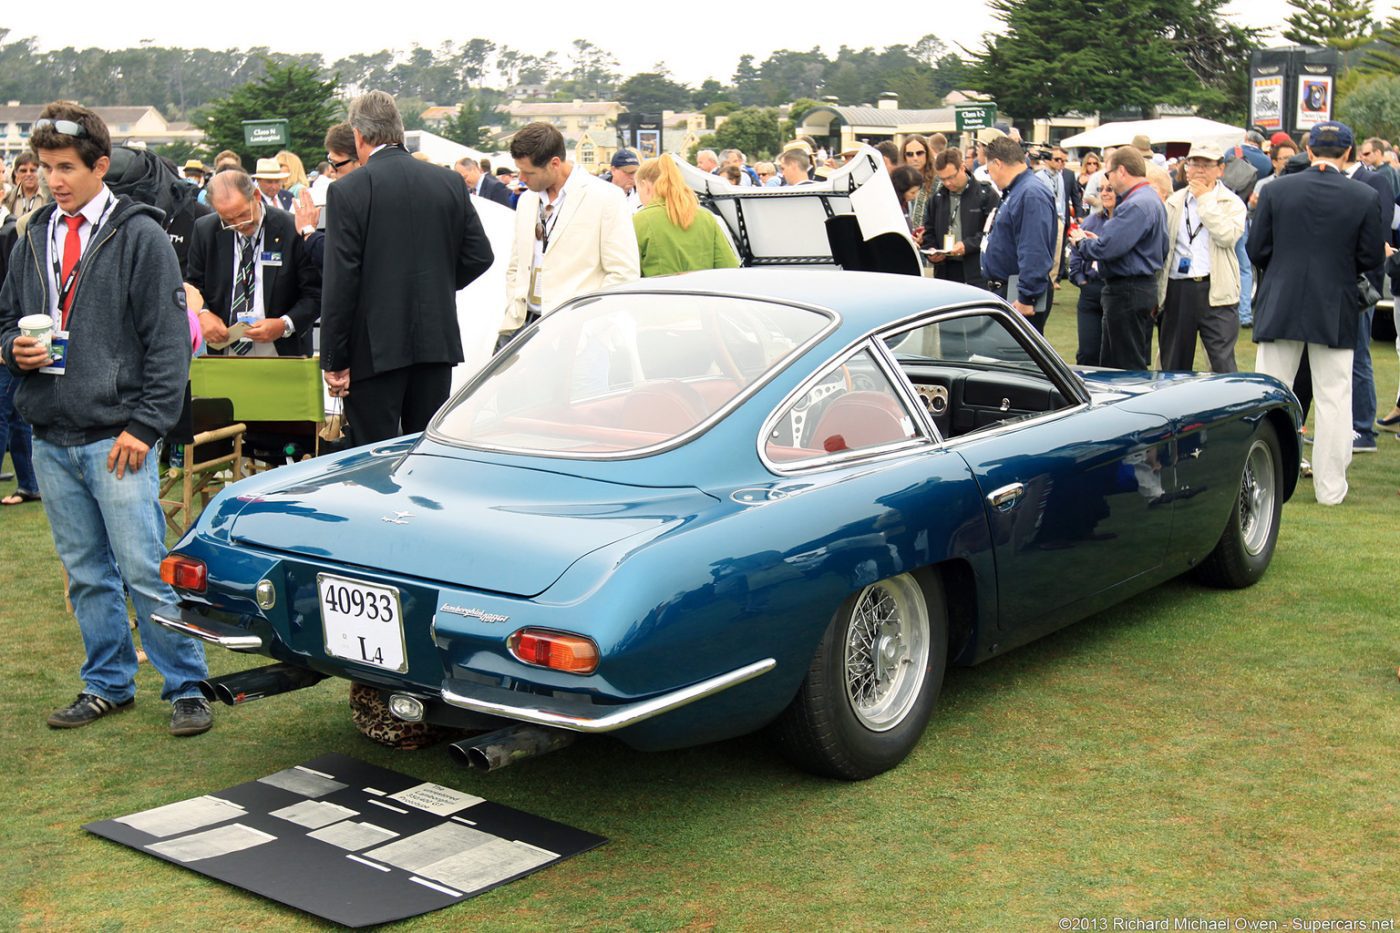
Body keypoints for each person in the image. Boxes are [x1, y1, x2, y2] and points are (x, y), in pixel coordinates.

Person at [0, 101, 212, 734]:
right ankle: (108, 683)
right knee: (87, 575)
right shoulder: (32, 235)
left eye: (65, 167)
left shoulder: (140, 234)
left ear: (100, 166)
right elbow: (6, 319)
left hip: (117, 436)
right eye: (42, 168)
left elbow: (169, 344)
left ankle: (187, 685)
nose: (51, 180)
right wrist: (12, 348)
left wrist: (146, 427)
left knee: (144, 569)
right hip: (50, 434)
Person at [320, 91, 493, 444]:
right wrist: (437, 285)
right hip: (435, 341)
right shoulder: (446, 182)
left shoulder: (349, 190)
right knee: (424, 455)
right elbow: (479, 255)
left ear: (359, 136)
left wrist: (334, 359)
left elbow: (341, 281)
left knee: (373, 460)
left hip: (374, 347)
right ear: (398, 130)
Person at [1248, 121, 1384, 505]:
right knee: (1334, 398)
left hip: (1281, 301)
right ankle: (1330, 488)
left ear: (1309, 152)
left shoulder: (1276, 190)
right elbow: (1371, 257)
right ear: (1346, 154)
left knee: (1269, 394)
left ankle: (1263, 476)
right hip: (1334, 303)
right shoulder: (1362, 195)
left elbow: (1257, 249)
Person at [496, 121, 638, 347]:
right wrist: (513, 305)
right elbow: (516, 264)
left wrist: (590, 328)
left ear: (554, 163)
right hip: (522, 329)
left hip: (580, 337)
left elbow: (624, 274)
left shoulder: (606, 198)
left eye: (528, 171)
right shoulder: (527, 200)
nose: (521, 178)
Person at [185, 170, 321, 358]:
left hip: (282, 347)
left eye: (243, 215)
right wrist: (202, 313)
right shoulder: (205, 230)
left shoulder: (291, 228)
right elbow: (193, 285)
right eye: (228, 220)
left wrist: (284, 324)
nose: (238, 225)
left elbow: (315, 293)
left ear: (256, 196)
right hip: (225, 346)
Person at [1069, 146, 1169, 369]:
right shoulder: (1151, 199)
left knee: (1123, 366)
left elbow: (1106, 248)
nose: (1108, 181)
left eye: (1108, 174)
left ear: (1121, 171)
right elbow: (1160, 247)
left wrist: (1081, 242)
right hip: (1140, 287)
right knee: (1128, 359)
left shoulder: (1134, 204)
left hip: (1127, 290)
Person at [1155, 142, 1246, 373]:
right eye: (1194, 164)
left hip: (1216, 291)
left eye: (1207, 165)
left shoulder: (1231, 202)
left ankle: (1227, 408)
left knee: (1222, 364)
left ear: (1220, 169)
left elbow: (1226, 236)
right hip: (1178, 288)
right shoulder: (1174, 202)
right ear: (1186, 168)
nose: (1199, 170)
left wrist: (1205, 200)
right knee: (1173, 363)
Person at [980, 134, 1057, 332]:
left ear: (997, 163)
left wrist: (1026, 296)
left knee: (1016, 360)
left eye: (989, 171)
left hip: (1019, 294)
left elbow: (1035, 249)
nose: (990, 176)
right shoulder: (1017, 191)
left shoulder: (1030, 193)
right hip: (1009, 288)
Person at [633, 154, 739, 277]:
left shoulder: (639, 221)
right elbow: (728, 267)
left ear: (645, 185)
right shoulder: (706, 217)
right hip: (703, 294)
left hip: (657, 294)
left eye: (637, 188)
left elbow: (628, 273)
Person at [922, 147, 1000, 289]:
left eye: (951, 177)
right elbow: (929, 231)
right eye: (943, 179)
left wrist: (967, 245)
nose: (947, 183)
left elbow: (994, 232)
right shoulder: (937, 199)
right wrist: (931, 251)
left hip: (977, 272)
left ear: (962, 168)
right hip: (945, 272)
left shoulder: (986, 194)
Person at [1068, 183, 1116, 365]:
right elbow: (1075, 251)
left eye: (1110, 189)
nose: (1104, 193)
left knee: (1113, 354)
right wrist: (1079, 279)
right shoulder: (1091, 221)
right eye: (1101, 189)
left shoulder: (1124, 223)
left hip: (1114, 288)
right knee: (1088, 353)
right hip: (1091, 290)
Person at [4, 152, 49, 217]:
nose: (28, 174)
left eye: (33, 170)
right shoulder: (8, 198)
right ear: (16, 173)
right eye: (23, 171)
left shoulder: (49, 197)